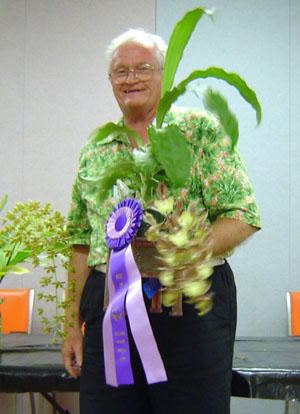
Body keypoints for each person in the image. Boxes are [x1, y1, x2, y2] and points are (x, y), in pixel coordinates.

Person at [62, 28, 261, 414]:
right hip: (109, 308)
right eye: (120, 71)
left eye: (143, 68)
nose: (131, 78)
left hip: (185, 301)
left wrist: (189, 248)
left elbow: (243, 215)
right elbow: (80, 241)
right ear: (110, 81)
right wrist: (71, 325)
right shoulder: (96, 149)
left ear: (164, 74)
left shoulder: (199, 132)